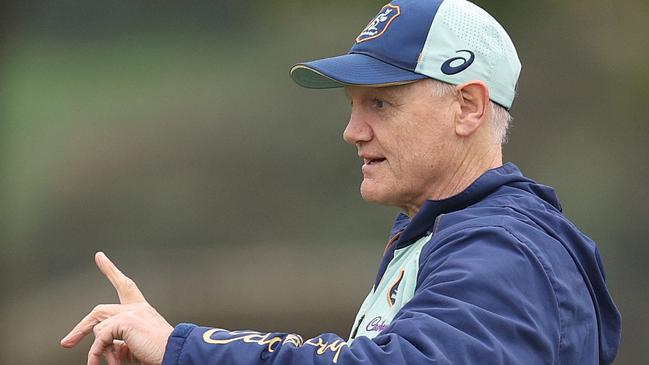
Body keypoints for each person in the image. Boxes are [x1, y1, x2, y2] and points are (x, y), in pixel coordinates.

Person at [61, 0, 621, 364]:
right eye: (355, 106)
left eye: (381, 102)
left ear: (469, 106)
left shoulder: (503, 248)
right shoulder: (445, 236)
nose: (353, 131)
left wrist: (182, 348)